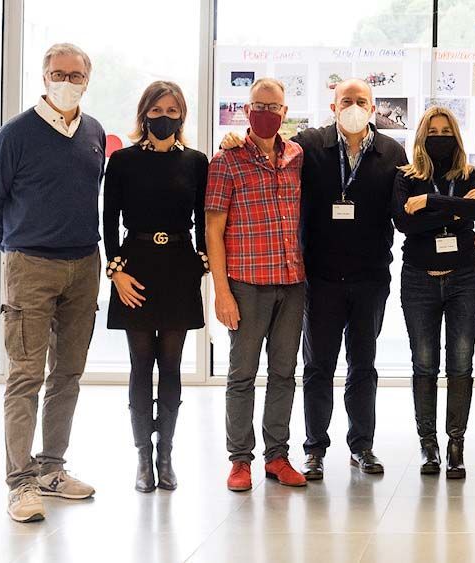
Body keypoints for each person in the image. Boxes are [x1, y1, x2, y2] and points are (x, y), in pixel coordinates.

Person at [225, 80, 409, 479]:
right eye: (347, 101)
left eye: (362, 102)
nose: (354, 107)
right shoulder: (309, 145)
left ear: (374, 107)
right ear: (333, 105)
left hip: (370, 278)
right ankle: (314, 449)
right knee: (317, 366)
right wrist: (232, 139)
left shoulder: (392, 152)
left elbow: (404, 208)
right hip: (320, 278)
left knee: (364, 365)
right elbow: (265, 144)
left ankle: (362, 446)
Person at [0, 43, 104, 523]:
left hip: (84, 264)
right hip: (31, 266)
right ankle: (20, 482)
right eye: (58, 73)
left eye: (75, 74)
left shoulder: (93, 132)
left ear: (87, 80)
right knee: (26, 376)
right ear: (43, 76)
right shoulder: (15, 135)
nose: (66, 81)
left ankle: (52, 469)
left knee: (67, 374)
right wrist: (16, 249)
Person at [103, 81, 208, 493]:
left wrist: (201, 263)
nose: (165, 118)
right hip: (137, 267)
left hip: (179, 267)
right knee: (140, 363)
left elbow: (203, 217)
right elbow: (109, 220)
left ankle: (166, 455)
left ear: (182, 115)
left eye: (173, 110)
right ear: (144, 113)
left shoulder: (197, 161)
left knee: (171, 364)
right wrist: (116, 272)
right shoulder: (124, 161)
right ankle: (142, 458)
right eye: (157, 110)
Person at [206, 78, 307, 491]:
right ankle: (239, 460)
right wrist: (221, 291)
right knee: (242, 374)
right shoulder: (225, 160)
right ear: (246, 110)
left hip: (293, 282)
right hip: (246, 285)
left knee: (284, 373)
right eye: (258, 104)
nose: (266, 112)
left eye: (275, 106)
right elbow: (213, 230)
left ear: (285, 112)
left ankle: (277, 457)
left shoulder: (298, 156)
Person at [394, 106, 475, 480]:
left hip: (465, 278)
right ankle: (428, 444)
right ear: (421, 135)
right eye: (432, 130)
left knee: (461, 364)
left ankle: (455, 444)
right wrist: (456, 211)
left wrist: (431, 203)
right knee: (424, 363)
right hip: (418, 279)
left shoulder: (471, 173)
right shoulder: (405, 177)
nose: (439, 137)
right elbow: (404, 223)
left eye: (446, 130)